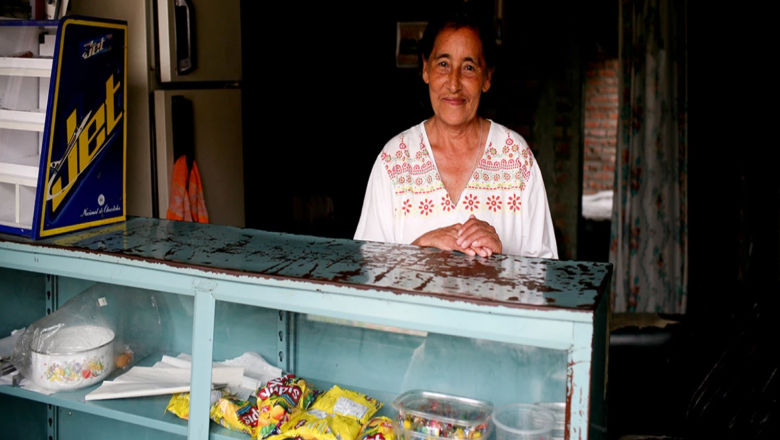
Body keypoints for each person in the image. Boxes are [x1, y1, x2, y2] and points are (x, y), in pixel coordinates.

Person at [354, 7, 558, 259]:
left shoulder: (515, 157)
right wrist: (420, 246)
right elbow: (367, 271)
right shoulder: (395, 159)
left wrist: (503, 259)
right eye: (443, 64)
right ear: (425, 69)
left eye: (469, 67)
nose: (453, 83)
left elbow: (546, 276)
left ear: (487, 77)